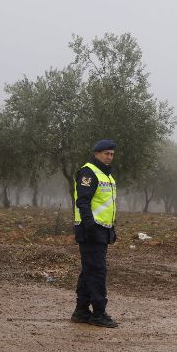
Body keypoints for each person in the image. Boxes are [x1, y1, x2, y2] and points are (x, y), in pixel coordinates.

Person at [71, 139, 119, 328]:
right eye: (106, 153)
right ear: (96, 153)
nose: (109, 157)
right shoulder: (88, 172)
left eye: (112, 154)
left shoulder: (107, 175)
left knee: (89, 271)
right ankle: (99, 313)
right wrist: (90, 226)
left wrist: (111, 229)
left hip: (103, 229)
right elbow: (82, 202)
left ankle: (81, 311)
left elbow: (107, 205)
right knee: (98, 272)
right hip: (91, 230)